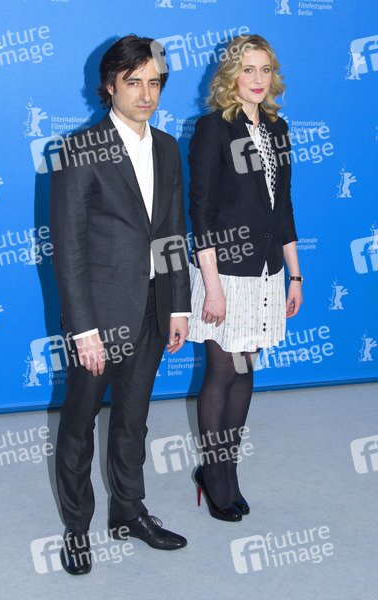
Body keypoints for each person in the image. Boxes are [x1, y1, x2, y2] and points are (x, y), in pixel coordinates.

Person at [50, 34, 191, 575]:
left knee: (134, 420)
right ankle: (76, 528)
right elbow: (69, 249)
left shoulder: (167, 147)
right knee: (80, 424)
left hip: (154, 310)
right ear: (109, 85)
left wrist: (178, 306)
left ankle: (129, 512)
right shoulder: (79, 149)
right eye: (133, 82)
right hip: (100, 318)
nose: (146, 94)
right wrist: (83, 329)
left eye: (154, 82)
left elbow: (173, 231)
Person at [187, 34, 303, 522]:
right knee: (221, 372)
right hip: (225, 273)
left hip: (266, 272)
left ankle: (228, 470)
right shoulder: (213, 128)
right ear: (232, 75)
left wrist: (294, 274)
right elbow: (200, 212)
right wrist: (212, 287)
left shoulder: (278, 128)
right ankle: (214, 476)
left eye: (265, 69)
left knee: (245, 370)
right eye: (248, 69)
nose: (258, 79)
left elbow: (283, 207)